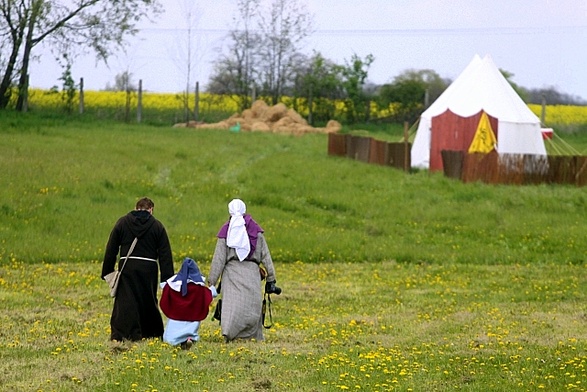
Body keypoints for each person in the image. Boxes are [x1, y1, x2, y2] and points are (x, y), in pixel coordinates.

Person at [101, 197, 174, 342]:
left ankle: (123, 333)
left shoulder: (122, 222)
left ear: (136, 208)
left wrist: (108, 270)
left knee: (126, 301)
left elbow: (111, 248)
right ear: (151, 210)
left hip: (127, 267)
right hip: (148, 269)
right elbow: (165, 254)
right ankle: (151, 332)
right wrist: (167, 279)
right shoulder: (157, 226)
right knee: (148, 300)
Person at [207, 198, 280, 342]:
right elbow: (266, 256)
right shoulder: (256, 232)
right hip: (252, 272)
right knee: (251, 304)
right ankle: (252, 334)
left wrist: (211, 282)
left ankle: (229, 332)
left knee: (232, 304)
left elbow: (219, 259)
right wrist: (271, 278)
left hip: (232, 273)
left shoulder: (226, 231)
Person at [159, 257, 217, 349]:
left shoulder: (173, 285)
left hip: (176, 318)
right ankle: (190, 338)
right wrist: (213, 290)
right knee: (191, 328)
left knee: (170, 336)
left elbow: (165, 290)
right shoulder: (198, 288)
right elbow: (208, 294)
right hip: (192, 317)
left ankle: (174, 340)